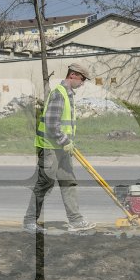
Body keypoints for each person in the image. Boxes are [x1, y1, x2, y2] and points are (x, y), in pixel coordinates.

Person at [23, 63, 96, 234]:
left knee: (68, 182)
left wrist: (67, 143)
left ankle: (75, 220)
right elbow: (51, 124)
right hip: (50, 147)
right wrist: (65, 141)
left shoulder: (69, 94)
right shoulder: (59, 94)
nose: (83, 83)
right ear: (73, 75)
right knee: (45, 184)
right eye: (82, 79)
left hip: (62, 148)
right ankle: (29, 221)